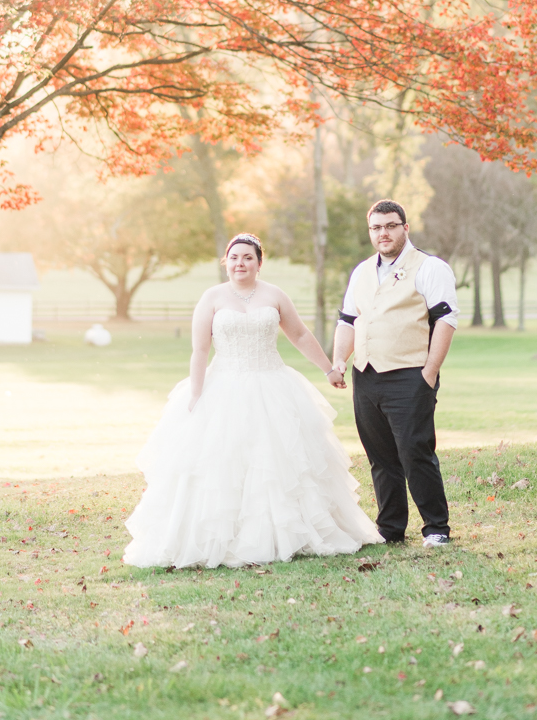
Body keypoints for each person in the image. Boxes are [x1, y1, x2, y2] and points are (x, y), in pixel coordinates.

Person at [124, 233, 381, 568]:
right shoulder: (212, 298)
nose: (240, 263)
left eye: (247, 257)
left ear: (259, 263)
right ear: (225, 263)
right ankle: (221, 536)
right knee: (222, 466)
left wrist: (328, 369)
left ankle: (291, 533)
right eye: (234, 258)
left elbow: (300, 335)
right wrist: (197, 393)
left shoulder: (274, 295)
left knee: (280, 463)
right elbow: (200, 349)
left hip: (272, 386)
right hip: (224, 388)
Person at [333, 199, 458, 548]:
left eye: (390, 225)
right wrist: (339, 361)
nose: (383, 233)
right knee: (380, 456)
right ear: (370, 231)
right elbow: (348, 320)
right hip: (367, 375)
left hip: (411, 374)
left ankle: (436, 528)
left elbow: (446, 320)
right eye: (376, 227)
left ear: (405, 227)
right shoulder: (361, 272)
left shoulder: (430, 267)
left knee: (415, 451)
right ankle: (390, 529)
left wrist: (430, 372)